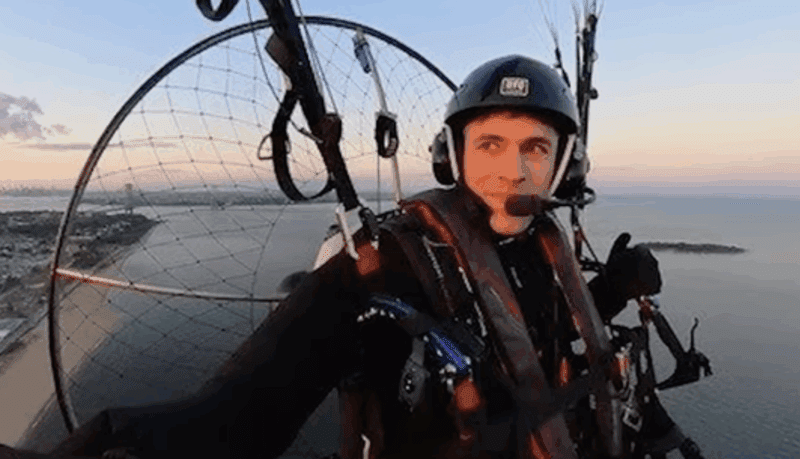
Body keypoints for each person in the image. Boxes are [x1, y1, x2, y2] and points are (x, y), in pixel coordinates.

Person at [2, 55, 667, 459]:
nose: (512, 170)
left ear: (564, 165)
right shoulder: (388, 266)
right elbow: (239, 415)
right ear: (453, 155)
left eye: (535, 148)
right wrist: (117, 437)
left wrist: (608, 292)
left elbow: (527, 333)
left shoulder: (539, 248)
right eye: (490, 144)